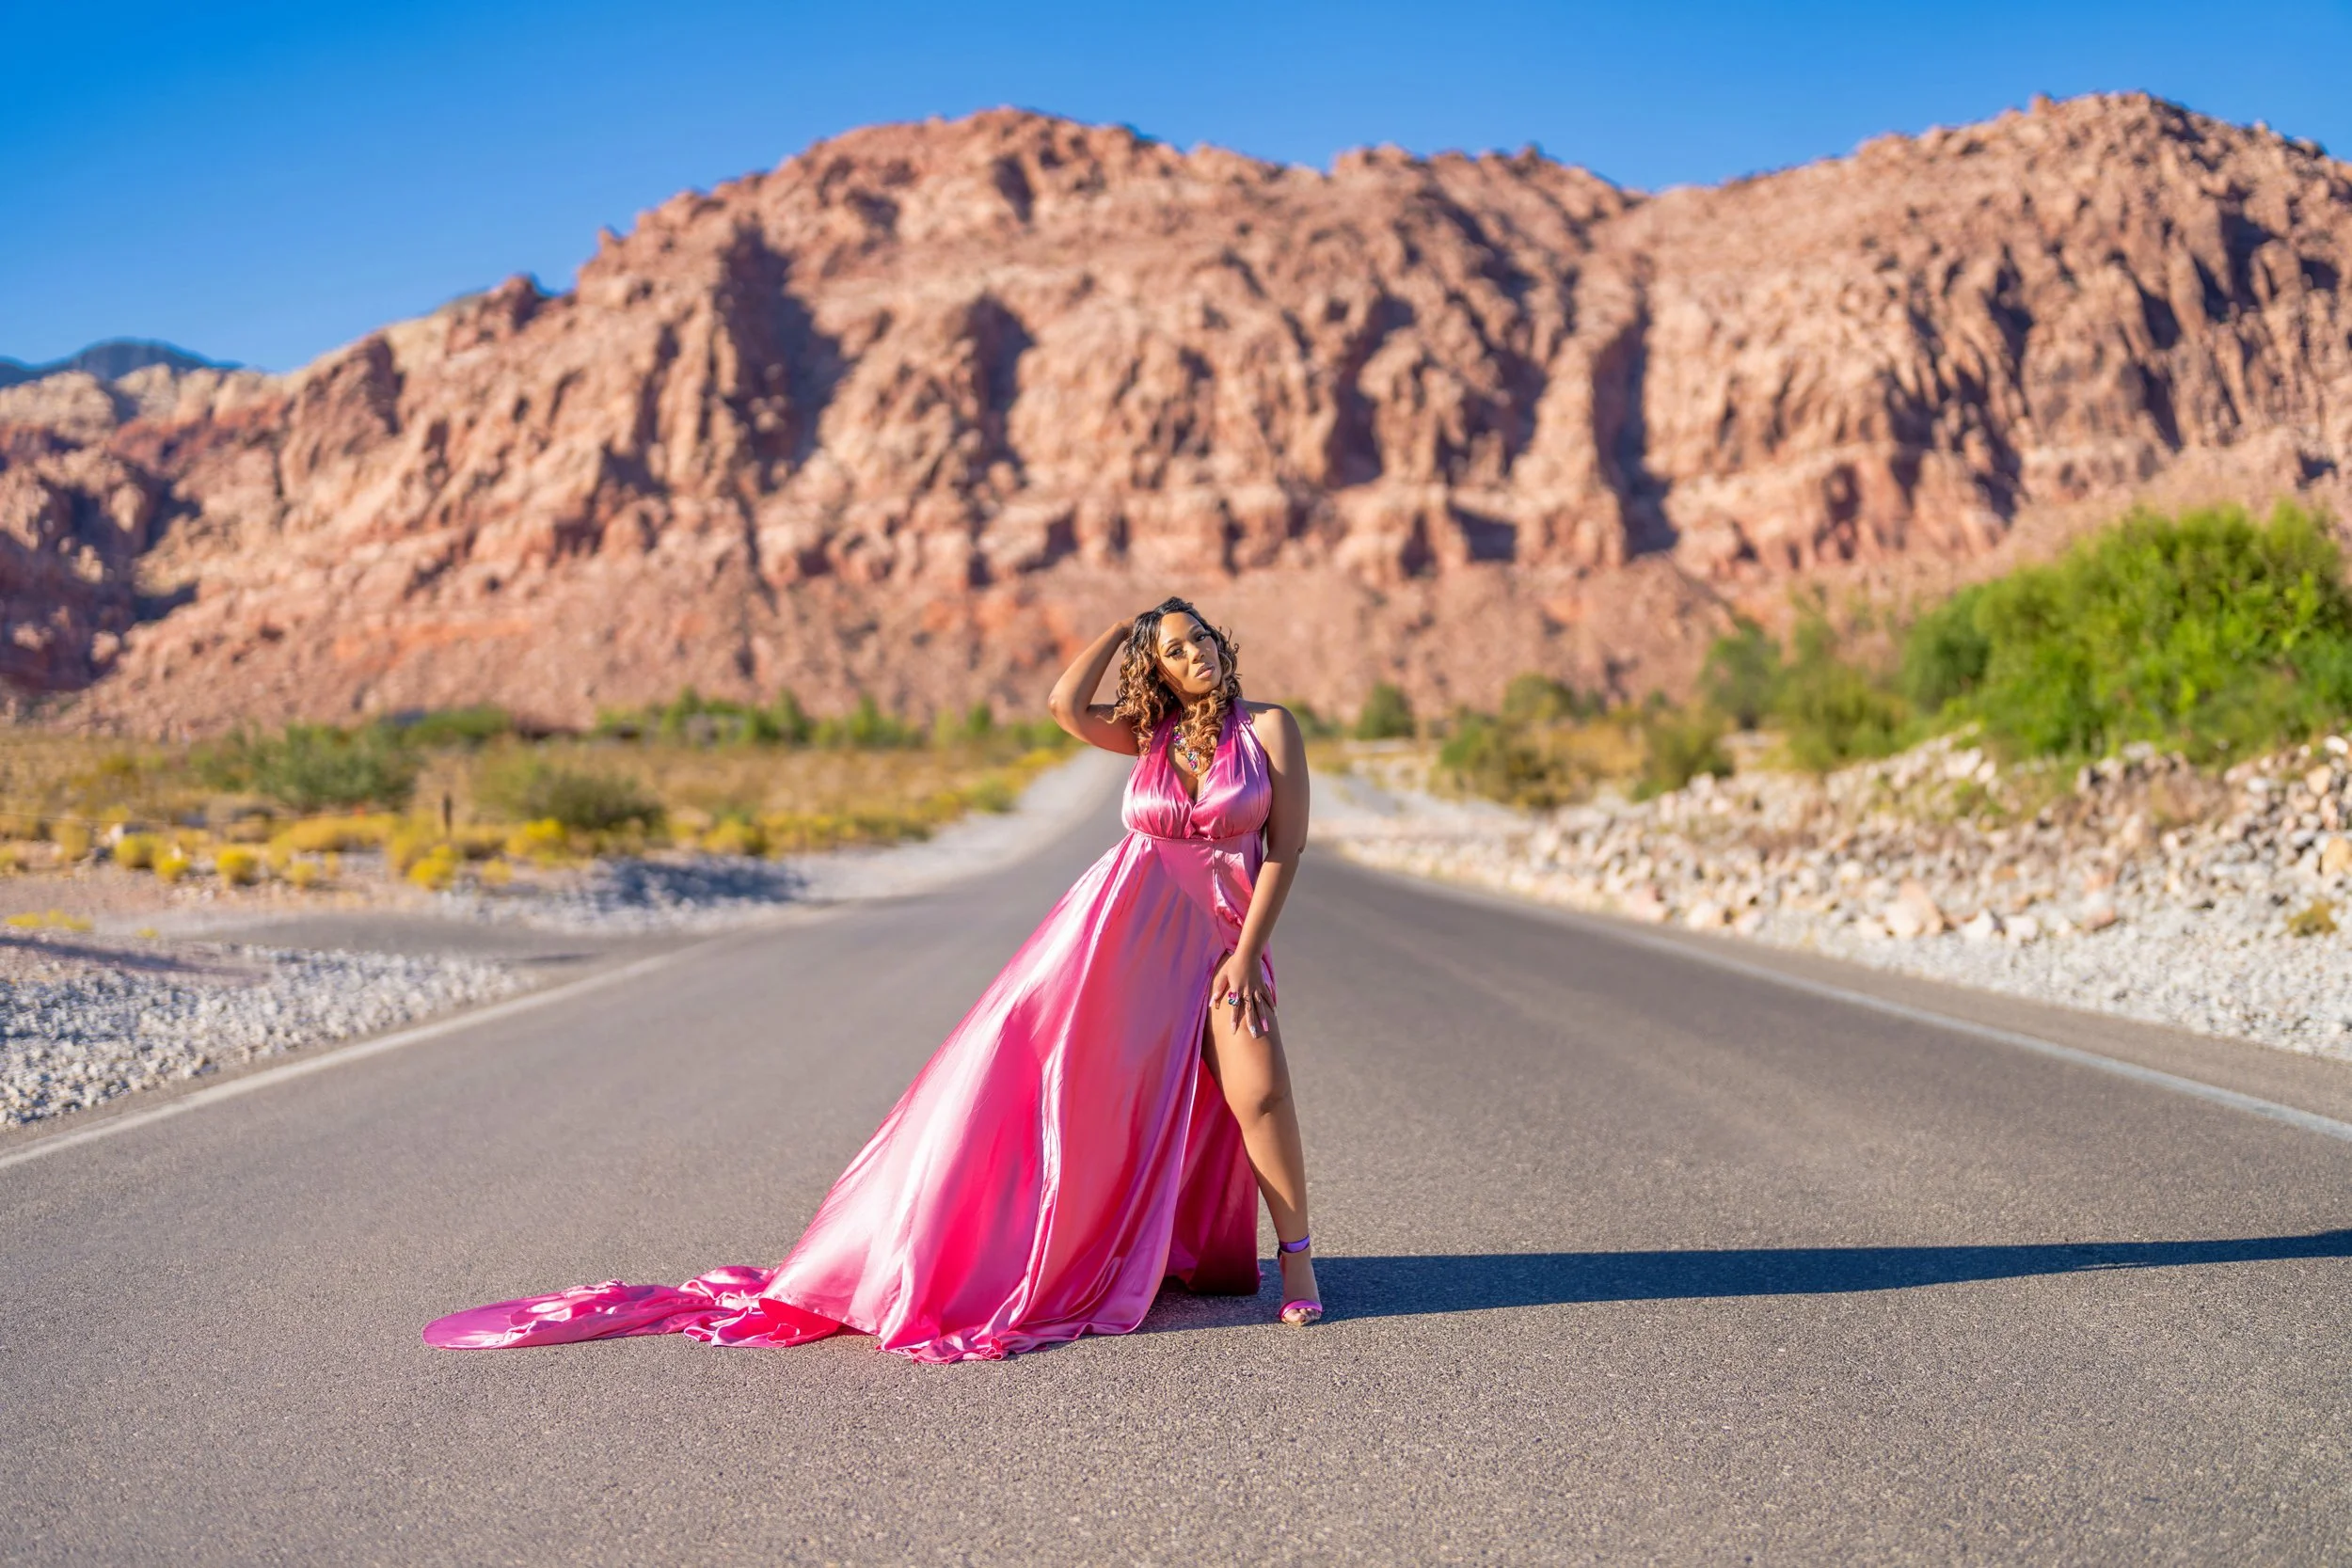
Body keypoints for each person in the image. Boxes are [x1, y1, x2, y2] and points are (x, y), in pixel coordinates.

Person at [422, 597, 1320, 1363]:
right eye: (1175, 649)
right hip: (1120, 938)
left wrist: (1246, 952)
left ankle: (1299, 1263)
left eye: (1201, 639)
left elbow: (1285, 847)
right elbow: (1060, 702)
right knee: (1091, 1102)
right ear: (1157, 670)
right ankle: (1081, 1246)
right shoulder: (1149, 735)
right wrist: (1126, 625)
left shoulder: (1269, 726)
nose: (1196, 654)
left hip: (1222, 937)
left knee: (1259, 1094)